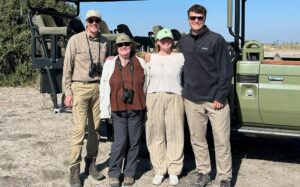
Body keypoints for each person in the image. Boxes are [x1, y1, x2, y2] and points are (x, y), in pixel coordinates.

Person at [177, 4, 233, 187]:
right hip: (192, 100)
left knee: (221, 140)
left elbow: (225, 71)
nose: (195, 21)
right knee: (197, 140)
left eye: (199, 18)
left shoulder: (216, 40)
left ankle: (224, 177)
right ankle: (203, 172)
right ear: (188, 19)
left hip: (215, 101)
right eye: (192, 18)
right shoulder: (183, 42)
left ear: (204, 19)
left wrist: (220, 97)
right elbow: (172, 62)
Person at [63, 9, 108, 187]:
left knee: (96, 129)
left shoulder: (104, 41)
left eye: (97, 20)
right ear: (86, 22)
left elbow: (105, 64)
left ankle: (91, 165)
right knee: (79, 130)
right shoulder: (75, 40)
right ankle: (74, 170)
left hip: (97, 88)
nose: (94, 23)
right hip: (79, 87)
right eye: (91, 20)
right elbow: (67, 67)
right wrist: (68, 92)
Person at [100, 34, 146, 187]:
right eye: (120, 45)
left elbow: (147, 84)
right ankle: (114, 173)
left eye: (126, 44)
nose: (124, 46)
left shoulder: (141, 62)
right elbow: (104, 86)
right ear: (117, 48)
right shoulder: (110, 64)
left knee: (134, 143)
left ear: (131, 45)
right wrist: (104, 110)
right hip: (118, 110)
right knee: (119, 142)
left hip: (136, 109)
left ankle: (129, 173)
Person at [145, 28, 185, 186]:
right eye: (163, 40)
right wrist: (110, 57)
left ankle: (174, 170)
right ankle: (159, 169)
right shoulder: (149, 58)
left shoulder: (180, 57)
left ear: (173, 41)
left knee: (175, 133)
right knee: (155, 134)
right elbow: (127, 57)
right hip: (153, 96)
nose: (166, 42)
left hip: (174, 96)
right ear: (157, 42)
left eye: (169, 39)